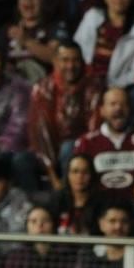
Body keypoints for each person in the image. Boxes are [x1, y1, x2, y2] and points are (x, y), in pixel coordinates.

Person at [28, 40, 103, 181]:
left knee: (68, 148)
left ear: (82, 62)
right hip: (49, 150)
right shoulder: (43, 88)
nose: (70, 66)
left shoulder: (94, 86)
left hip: (80, 149)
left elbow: (94, 129)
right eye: (65, 60)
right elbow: (40, 131)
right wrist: (51, 172)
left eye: (75, 60)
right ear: (56, 61)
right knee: (22, 160)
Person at [72, 87, 134, 204]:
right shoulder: (86, 143)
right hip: (98, 209)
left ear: (129, 109)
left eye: (123, 104)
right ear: (102, 110)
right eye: (112, 104)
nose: (118, 108)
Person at [48, 152, 102, 236]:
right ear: (67, 175)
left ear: (92, 175)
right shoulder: (56, 200)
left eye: (85, 172)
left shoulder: (103, 203)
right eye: (75, 171)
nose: (80, 176)